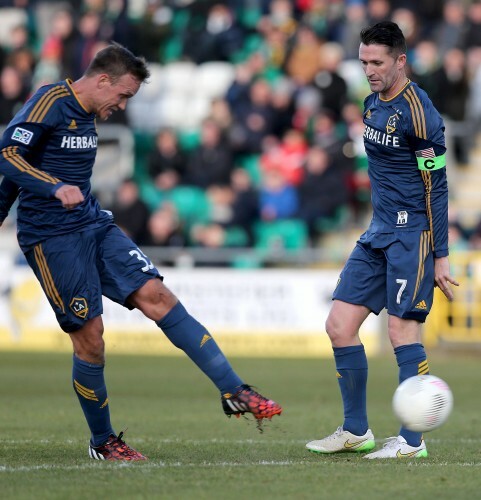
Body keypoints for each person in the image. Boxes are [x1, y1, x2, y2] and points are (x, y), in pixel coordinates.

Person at [0, 43, 282, 462]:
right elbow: (7, 155)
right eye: (123, 95)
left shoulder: (90, 112)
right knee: (91, 339)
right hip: (52, 237)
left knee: (159, 297)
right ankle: (102, 441)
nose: (123, 105)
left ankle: (233, 388)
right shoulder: (49, 101)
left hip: (93, 223)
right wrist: (53, 188)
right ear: (102, 80)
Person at [305, 21, 458, 459]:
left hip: (414, 235)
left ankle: (413, 441)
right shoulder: (372, 103)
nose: (369, 70)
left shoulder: (420, 113)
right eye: (364, 61)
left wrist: (441, 254)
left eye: (377, 62)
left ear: (400, 61)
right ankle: (356, 430)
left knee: (401, 331)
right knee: (338, 326)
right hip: (378, 231)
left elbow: (438, 185)